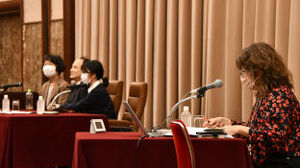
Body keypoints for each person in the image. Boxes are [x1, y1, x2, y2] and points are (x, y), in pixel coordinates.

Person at [203, 42, 300, 168]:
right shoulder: (266, 96)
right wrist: (230, 123)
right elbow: (257, 130)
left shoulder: (281, 96)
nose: (241, 79)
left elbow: (274, 138)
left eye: (243, 72)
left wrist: (238, 129)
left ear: (259, 71)